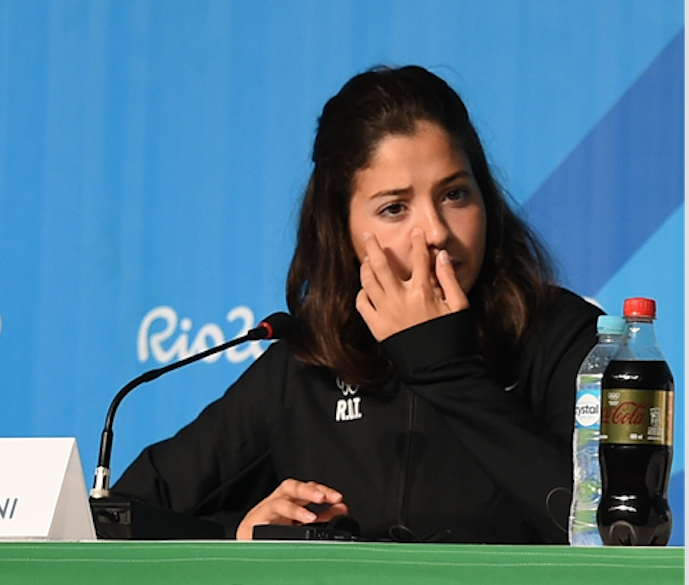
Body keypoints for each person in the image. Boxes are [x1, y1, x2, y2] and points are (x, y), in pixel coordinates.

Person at [113, 65, 602, 543]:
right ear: (341, 230)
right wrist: (238, 535)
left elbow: (607, 533)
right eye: (395, 208)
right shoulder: (309, 365)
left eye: (455, 194)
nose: (435, 232)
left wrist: (447, 369)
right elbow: (118, 516)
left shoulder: (566, 338)